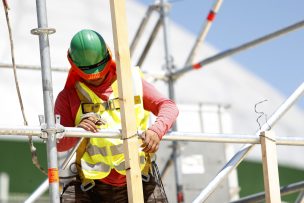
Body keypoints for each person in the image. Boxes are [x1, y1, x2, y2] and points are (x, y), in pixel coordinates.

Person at [55, 29, 179, 203]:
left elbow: (168, 106)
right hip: (92, 188)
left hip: (138, 182)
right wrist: (77, 131)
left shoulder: (132, 82)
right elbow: (58, 144)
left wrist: (156, 131)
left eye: (100, 72)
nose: (96, 79)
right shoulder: (69, 95)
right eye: (89, 74)